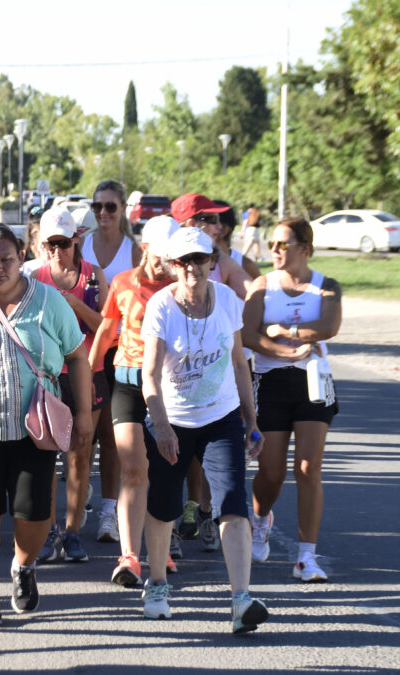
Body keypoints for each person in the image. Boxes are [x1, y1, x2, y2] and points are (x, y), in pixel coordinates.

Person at [0, 224, 93, 627]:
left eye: (6, 259)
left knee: (34, 516)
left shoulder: (49, 301)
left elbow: (78, 357)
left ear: (21, 258)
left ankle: (23, 567)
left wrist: (83, 413)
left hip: (37, 430)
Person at [139, 227, 267, 633]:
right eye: (183, 261)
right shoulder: (161, 306)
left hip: (221, 416)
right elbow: (150, 375)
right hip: (171, 418)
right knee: (163, 506)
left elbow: (237, 362)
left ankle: (240, 600)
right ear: (173, 267)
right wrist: (161, 427)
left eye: (199, 259)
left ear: (213, 261)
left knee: (232, 503)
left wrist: (251, 419)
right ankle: (157, 585)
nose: (192, 267)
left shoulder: (227, 299)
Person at [243, 218, 342, 582]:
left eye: (282, 244)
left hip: (313, 382)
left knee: (307, 468)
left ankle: (306, 557)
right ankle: (260, 519)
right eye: (272, 244)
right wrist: (281, 352)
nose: (274, 251)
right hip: (270, 381)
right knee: (271, 472)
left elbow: (329, 326)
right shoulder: (262, 284)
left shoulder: (326, 286)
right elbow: (248, 335)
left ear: (305, 248)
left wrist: (287, 330)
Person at [88, 216, 179, 588]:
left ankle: (160, 547)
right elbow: (107, 331)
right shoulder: (124, 283)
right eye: (163, 257)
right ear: (146, 250)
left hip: (168, 387)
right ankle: (129, 556)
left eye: (174, 257)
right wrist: (91, 378)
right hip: (126, 381)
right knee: (132, 469)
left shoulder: (181, 288)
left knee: (163, 470)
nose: (169, 264)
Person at [171, 194, 254, 553]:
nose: (216, 225)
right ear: (187, 222)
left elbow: (255, 292)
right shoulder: (174, 258)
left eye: (218, 219)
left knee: (214, 448)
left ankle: (207, 509)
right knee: (184, 453)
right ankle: (186, 511)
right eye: (207, 218)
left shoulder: (225, 260)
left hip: (220, 367)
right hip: (178, 375)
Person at [30, 208, 108, 563]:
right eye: (51, 244)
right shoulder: (34, 277)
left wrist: (74, 303)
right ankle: (47, 532)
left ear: (76, 241)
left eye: (64, 243)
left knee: (79, 457)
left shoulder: (93, 276)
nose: (57, 251)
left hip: (87, 372)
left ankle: (73, 532)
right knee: (47, 458)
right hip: (46, 375)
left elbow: (107, 327)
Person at [83, 180, 144, 544]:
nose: (103, 214)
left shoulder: (134, 251)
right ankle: (79, 508)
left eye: (110, 207)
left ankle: (108, 511)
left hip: (120, 351)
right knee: (83, 438)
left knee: (110, 435)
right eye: (98, 207)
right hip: (82, 348)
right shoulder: (83, 244)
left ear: (122, 210)